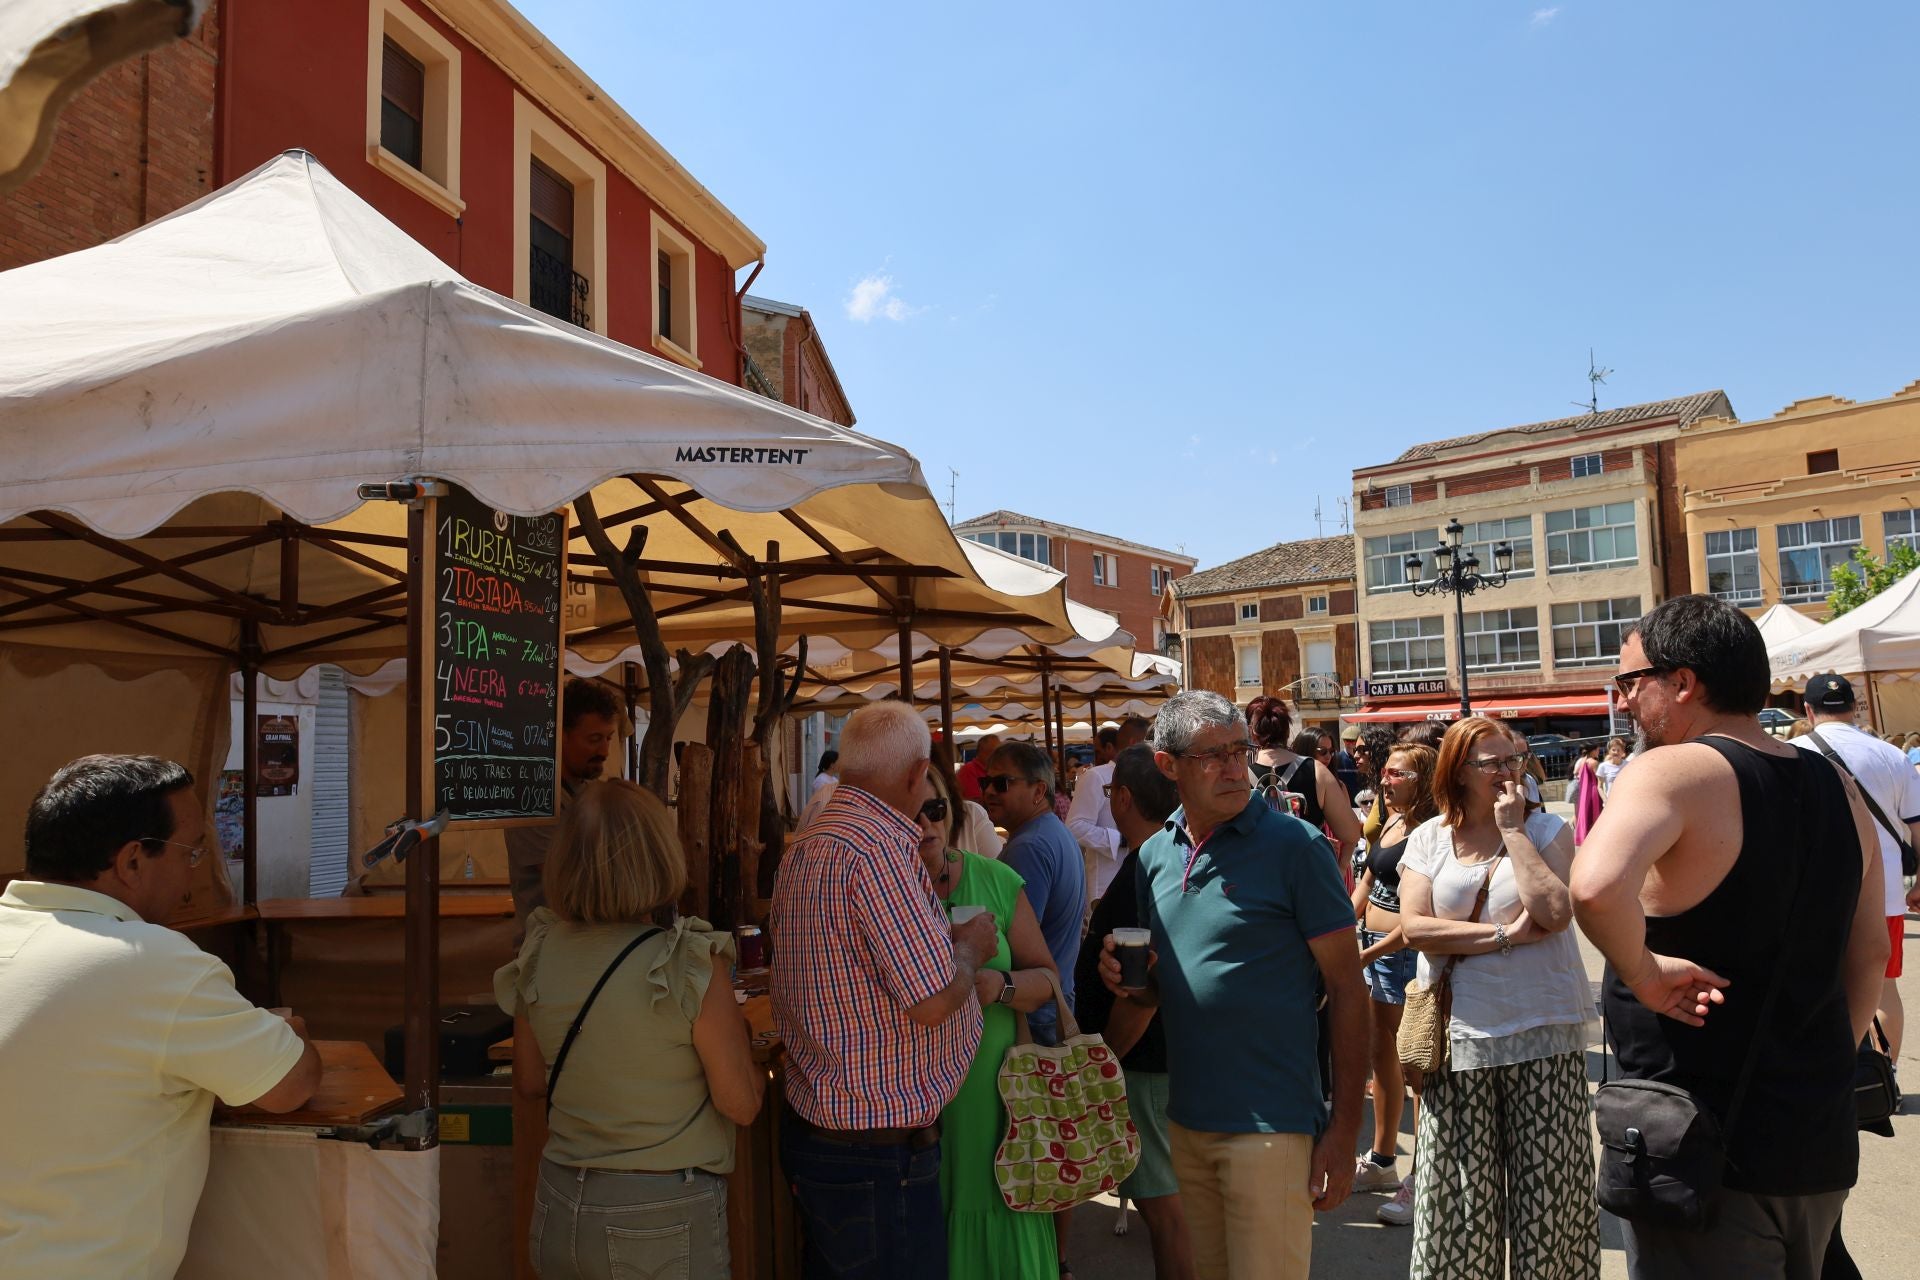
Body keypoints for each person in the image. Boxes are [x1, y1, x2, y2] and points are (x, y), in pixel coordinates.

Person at [1571, 595, 1887, 1280]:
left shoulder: (1674, 770)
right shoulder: (1839, 786)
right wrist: (1821, 1058)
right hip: (1814, 1141)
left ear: (1683, 682)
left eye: (1630, 681)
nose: (1623, 702)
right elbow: (1871, 953)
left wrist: (1644, 972)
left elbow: (1593, 886)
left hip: (1701, 1149)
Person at [0, 755, 322, 1277]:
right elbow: (290, 1082)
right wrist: (293, 1033)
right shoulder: (153, 962)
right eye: (192, 852)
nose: (195, 870)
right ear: (131, 862)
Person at [1098, 690, 1368, 1280]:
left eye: (1238, 751)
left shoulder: (1294, 847)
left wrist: (1344, 1130)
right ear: (1168, 766)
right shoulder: (1153, 858)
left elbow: (1348, 989)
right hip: (1187, 1121)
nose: (1232, 768)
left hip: (1271, 1124)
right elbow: (1160, 989)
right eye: (1211, 756)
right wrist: (1129, 983)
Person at [497, 780, 763, 1279]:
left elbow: (530, 1081)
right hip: (660, 1213)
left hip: (559, 1200)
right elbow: (741, 1103)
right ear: (660, 857)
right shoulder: (685, 961)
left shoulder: (538, 953)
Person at [771, 700, 998, 1279]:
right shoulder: (879, 850)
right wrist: (970, 947)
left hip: (830, 1131)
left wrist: (943, 938)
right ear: (917, 774)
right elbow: (931, 1001)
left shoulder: (808, 844)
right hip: (875, 1149)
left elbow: (857, 955)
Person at [1397, 718, 1598, 1279]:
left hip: (1543, 1031)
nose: (1509, 772)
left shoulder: (1545, 829)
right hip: (1459, 1039)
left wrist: (1512, 830)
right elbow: (1415, 928)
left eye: (1514, 759)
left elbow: (1555, 914)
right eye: (1493, 763)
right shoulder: (1430, 838)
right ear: (1459, 772)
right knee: (1458, 1204)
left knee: (1551, 1203)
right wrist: (1504, 937)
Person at [911, 766, 1060, 1279]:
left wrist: (1003, 987)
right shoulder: (883, 891)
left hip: (993, 1094)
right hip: (915, 1099)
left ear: (952, 811)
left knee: (990, 1210)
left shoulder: (995, 879)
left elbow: (1048, 978)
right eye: (911, 815)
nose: (926, 824)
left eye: (935, 810)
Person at [1074, 746, 1195, 1280]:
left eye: (1109, 793)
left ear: (1122, 798)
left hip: (1144, 1065)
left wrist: (1104, 1062)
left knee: (1166, 1214)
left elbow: (1140, 992)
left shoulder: (1144, 871)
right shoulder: (1172, 865)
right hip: (1169, 1059)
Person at [1793, 674, 1919, 1062]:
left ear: (1808, 710)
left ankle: (1830, 1078)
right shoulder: (1892, 755)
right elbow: (1917, 827)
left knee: (1814, 987)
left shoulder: (1791, 752)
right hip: (1885, 896)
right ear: (1853, 707)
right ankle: (1883, 1082)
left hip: (1812, 895)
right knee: (1883, 988)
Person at [1348, 742, 1439, 1227]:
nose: (1384, 779)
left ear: (1422, 779)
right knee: (1381, 1059)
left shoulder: (1431, 830)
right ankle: (1384, 1161)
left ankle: (1423, 1177)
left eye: (1396, 773)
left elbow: (1418, 916)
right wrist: (1342, 930)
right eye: (1385, 772)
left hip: (1403, 956)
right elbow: (1366, 881)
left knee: (1416, 1069)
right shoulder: (1389, 821)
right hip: (1373, 952)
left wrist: (1366, 951)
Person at [982, 740, 1086, 1046]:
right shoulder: (1051, 832)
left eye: (1001, 783)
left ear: (1038, 791)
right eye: (985, 782)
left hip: (1035, 1013)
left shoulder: (1029, 847)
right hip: (1053, 1002)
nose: (988, 792)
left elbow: (1012, 942)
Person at [506, 676, 623, 932]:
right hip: (547, 950)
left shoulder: (588, 789)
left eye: (609, 738)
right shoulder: (533, 798)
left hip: (590, 941)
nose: (604, 751)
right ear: (559, 735)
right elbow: (569, 882)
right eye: (594, 739)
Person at [1245, 695, 1362, 861]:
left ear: (1252, 732)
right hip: (1308, 873)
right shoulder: (1317, 771)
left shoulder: (1240, 774)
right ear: (1287, 730)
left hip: (1258, 877)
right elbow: (1351, 834)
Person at [1066, 716, 1153, 904]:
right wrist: (1119, 839)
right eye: (1150, 742)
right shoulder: (1096, 777)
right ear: (1135, 743)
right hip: (1107, 882)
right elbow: (1074, 827)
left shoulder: (1151, 777)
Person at [1571, 741, 1605, 844]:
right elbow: (1599, 776)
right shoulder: (1594, 762)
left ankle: (1585, 837)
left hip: (1584, 790)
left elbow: (1575, 772)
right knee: (1596, 812)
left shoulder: (1582, 761)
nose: (1598, 751)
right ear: (1593, 750)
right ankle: (1596, 837)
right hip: (1593, 789)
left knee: (1585, 812)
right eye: (1597, 749)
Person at [957, 733, 1001, 802]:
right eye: (994, 752)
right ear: (981, 752)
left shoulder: (993, 770)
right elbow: (974, 802)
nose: (998, 756)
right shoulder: (969, 770)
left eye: (999, 753)